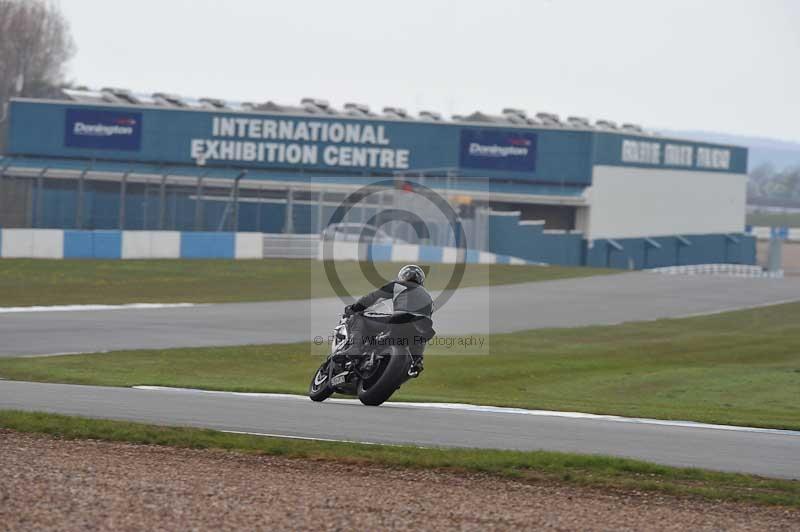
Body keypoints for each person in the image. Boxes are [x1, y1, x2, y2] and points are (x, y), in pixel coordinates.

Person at [339, 264, 435, 375]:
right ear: (421, 280)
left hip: (400, 320)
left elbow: (373, 297)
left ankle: (355, 348)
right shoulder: (430, 299)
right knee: (419, 334)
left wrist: (353, 308)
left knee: (359, 317)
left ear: (402, 276)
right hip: (423, 330)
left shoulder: (399, 285)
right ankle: (417, 361)